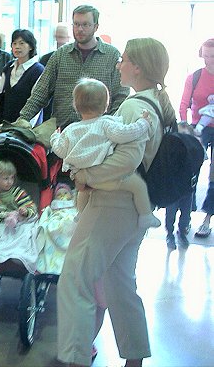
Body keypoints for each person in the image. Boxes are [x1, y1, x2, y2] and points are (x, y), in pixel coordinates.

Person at [56, 38, 176, 367]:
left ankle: (76, 358)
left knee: (75, 280)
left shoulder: (135, 108)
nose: (118, 64)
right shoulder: (153, 103)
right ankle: (134, 357)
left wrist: (86, 176)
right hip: (129, 207)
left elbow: (127, 160)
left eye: (123, 59)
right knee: (120, 284)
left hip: (112, 205)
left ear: (138, 67)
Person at [50, 78, 160, 230]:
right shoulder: (106, 123)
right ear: (106, 105)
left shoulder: (71, 129)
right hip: (106, 177)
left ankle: (80, 214)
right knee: (138, 185)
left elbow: (60, 150)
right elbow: (126, 134)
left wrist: (55, 137)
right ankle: (146, 216)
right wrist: (143, 123)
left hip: (83, 179)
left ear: (76, 105)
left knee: (82, 193)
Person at [18, 4, 129, 131]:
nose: (80, 29)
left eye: (85, 24)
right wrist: (22, 120)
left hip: (98, 133)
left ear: (96, 27)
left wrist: (109, 125)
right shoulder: (61, 54)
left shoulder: (112, 55)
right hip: (62, 131)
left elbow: (121, 96)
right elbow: (40, 93)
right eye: (76, 24)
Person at [0, 29, 44, 125]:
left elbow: (37, 102)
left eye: (21, 43)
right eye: (14, 43)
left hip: (26, 124)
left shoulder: (38, 70)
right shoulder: (8, 67)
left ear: (31, 46)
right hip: (5, 121)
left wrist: (27, 125)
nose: (17, 47)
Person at [164, 122, 200, 249]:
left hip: (187, 189)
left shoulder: (194, 150)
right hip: (173, 189)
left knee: (186, 213)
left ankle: (182, 231)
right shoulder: (171, 150)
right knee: (170, 213)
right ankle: (170, 233)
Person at [179, 38, 214, 151]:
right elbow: (183, 104)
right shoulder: (194, 77)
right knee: (195, 159)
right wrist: (185, 127)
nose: (208, 60)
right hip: (198, 127)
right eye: (205, 56)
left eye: (212, 56)